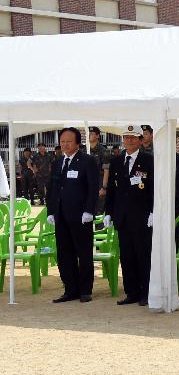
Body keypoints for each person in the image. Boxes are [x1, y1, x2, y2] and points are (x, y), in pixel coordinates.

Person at [47, 127, 99, 303]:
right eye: (62, 141)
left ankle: (85, 290)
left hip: (80, 216)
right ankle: (70, 289)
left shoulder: (87, 161)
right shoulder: (57, 162)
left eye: (69, 141)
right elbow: (52, 189)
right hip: (61, 216)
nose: (65, 144)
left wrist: (89, 210)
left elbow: (93, 188)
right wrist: (51, 211)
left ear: (77, 142)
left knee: (83, 253)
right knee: (64, 254)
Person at [103, 126, 154, 306]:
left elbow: (153, 189)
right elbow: (112, 190)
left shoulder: (149, 160)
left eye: (133, 138)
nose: (129, 141)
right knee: (127, 256)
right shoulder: (117, 161)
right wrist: (108, 212)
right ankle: (131, 292)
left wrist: (154, 211)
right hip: (122, 217)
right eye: (126, 138)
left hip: (142, 217)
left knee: (143, 255)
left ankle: (146, 293)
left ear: (141, 140)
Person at [89, 126, 112, 214]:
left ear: (98, 136)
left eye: (91, 134)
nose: (89, 135)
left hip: (99, 183)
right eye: (88, 134)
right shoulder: (83, 150)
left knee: (98, 211)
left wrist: (104, 187)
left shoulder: (103, 151)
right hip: (86, 184)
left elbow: (106, 170)